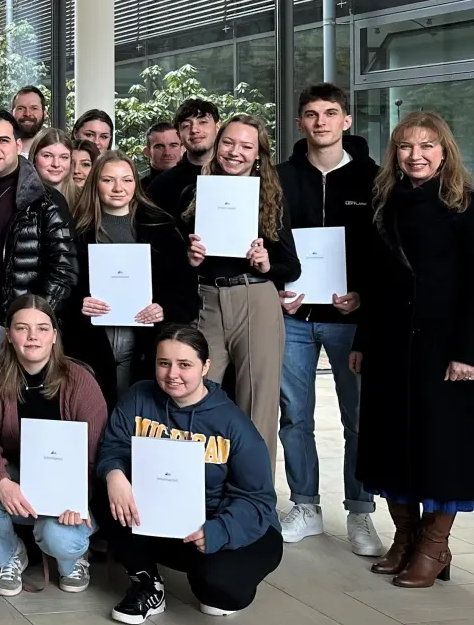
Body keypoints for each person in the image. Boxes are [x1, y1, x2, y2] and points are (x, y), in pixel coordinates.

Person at [354, 111, 474, 589]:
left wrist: (467, 353)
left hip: (443, 351)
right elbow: (372, 283)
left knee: (442, 448)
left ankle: (435, 545)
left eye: (426, 146)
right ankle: (406, 537)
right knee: (390, 443)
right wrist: (361, 341)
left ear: (444, 151)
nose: (415, 155)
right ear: (394, 154)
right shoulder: (382, 205)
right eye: (405, 147)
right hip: (389, 346)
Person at [99, 324, 282, 624]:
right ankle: (147, 585)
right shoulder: (139, 396)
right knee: (108, 494)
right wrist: (114, 474)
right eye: (164, 363)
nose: (172, 374)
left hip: (225, 523)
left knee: (218, 591)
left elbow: (257, 499)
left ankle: (217, 573)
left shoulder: (234, 425)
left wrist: (218, 531)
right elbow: (114, 444)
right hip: (164, 518)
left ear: (205, 366)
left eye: (185, 365)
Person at [276, 84, 383, 556]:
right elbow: (269, 240)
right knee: (295, 415)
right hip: (294, 317)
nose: (321, 121)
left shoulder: (376, 179)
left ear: (346, 121)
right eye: (311, 114)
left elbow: (385, 251)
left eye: (330, 113)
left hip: (350, 319)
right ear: (300, 123)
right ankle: (305, 506)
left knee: (357, 417)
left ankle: (361, 512)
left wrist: (364, 293)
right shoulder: (278, 178)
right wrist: (280, 286)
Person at [0, 294, 107, 595]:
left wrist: (78, 498)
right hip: (18, 483)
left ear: (54, 335)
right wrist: (1, 481)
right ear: (8, 335)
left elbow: (97, 452)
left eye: (42, 328)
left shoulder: (80, 381)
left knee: (59, 538)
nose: (32, 337)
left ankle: (74, 559)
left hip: (70, 489)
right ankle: (10, 554)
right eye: (22, 328)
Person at [181, 115, 300, 462]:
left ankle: (256, 501)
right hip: (208, 300)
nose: (235, 152)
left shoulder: (272, 196)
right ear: (217, 146)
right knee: (194, 394)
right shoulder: (196, 192)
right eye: (229, 143)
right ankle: (196, 493)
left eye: (246, 146)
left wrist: (266, 263)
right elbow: (175, 264)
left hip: (256, 298)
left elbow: (292, 266)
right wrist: (190, 258)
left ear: (258, 154)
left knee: (259, 403)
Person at [62, 151, 198, 406]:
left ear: (136, 183)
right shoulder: (75, 230)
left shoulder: (161, 227)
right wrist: (78, 302)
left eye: (126, 180)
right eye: (108, 180)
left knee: (137, 411)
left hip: (145, 340)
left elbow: (187, 290)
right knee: (93, 411)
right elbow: (62, 285)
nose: (118, 188)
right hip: (91, 337)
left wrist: (164, 308)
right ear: (95, 184)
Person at [0, 111, 78, 325]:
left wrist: (33, 324)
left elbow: (64, 271)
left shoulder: (46, 200)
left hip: (22, 328)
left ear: (18, 146)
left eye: (3, 140)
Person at [147, 99, 220, 221]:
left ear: (218, 127)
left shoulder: (237, 177)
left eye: (202, 122)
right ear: (179, 134)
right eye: (186, 125)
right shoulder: (160, 186)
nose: (194, 130)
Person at [30, 128, 76, 202]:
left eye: (64, 157)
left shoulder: (84, 198)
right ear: (34, 158)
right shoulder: (19, 197)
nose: (56, 164)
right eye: (47, 156)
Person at [142, 121, 184, 192]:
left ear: (183, 148)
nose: (167, 153)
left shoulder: (195, 185)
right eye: (159, 147)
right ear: (147, 152)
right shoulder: (137, 190)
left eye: (173, 145)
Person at [11, 86, 48, 154]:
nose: (27, 114)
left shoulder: (57, 152)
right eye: (21, 108)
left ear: (44, 114)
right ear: (11, 113)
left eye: (34, 108)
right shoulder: (1, 152)